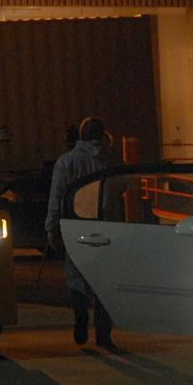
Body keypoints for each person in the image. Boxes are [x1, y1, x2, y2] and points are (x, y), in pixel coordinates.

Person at [45, 117, 119, 349]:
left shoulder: (66, 163)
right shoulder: (112, 161)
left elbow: (56, 199)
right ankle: (103, 334)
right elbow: (123, 188)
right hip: (107, 229)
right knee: (104, 283)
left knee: (76, 278)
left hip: (76, 227)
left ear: (80, 135)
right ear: (103, 135)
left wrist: (52, 231)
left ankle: (80, 315)